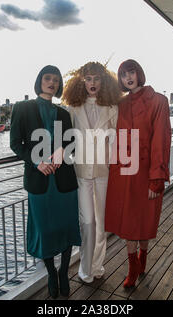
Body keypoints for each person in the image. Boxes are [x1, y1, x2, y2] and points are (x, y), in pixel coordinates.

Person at [10, 65, 81, 298]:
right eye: (47, 78)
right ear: (40, 80)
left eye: (56, 79)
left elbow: (71, 143)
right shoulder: (23, 108)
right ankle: (51, 272)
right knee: (46, 229)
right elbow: (16, 143)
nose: (52, 82)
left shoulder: (63, 113)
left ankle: (63, 273)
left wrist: (62, 149)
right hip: (39, 181)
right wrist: (36, 161)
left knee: (67, 227)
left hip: (63, 181)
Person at [105, 59, 171, 288]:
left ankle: (143, 256)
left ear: (139, 73)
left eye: (131, 72)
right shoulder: (120, 105)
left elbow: (161, 140)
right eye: (123, 75)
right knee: (129, 223)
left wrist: (156, 179)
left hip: (148, 172)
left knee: (145, 221)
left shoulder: (159, 101)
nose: (128, 78)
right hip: (126, 173)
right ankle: (133, 266)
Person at [62, 62, 121, 283]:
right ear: (81, 81)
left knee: (101, 223)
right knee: (87, 222)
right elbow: (66, 139)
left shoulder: (112, 107)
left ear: (103, 81)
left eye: (96, 78)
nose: (92, 83)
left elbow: (117, 139)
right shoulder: (73, 108)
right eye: (88, 79)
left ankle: (97, 266)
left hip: (104, 171)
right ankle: (85, 269)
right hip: (81, 171)